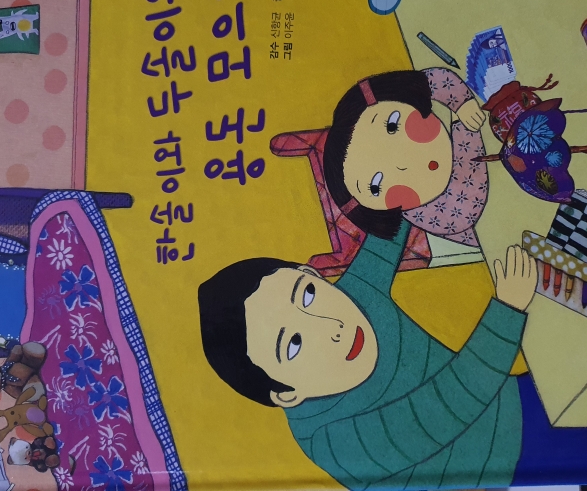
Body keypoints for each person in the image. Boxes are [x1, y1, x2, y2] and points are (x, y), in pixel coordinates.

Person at [199, 220, 536, 489]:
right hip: (507, 466)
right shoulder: (332, 440)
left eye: (308, 295)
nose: (333, 326)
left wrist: (399, 185)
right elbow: (446, 407)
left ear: (311, 273)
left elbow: (387, 234)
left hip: (508, 401)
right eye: (294, 344)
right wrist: (507, 310)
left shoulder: (355, 297)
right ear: (286, 394)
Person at [322, 68, 488, 247]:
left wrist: (462, 102)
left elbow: (431, 80)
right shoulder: (435, 214)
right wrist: (467, 128)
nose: (401, 164)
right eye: (376, 186)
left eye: (392, 126)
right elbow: (471, 191)